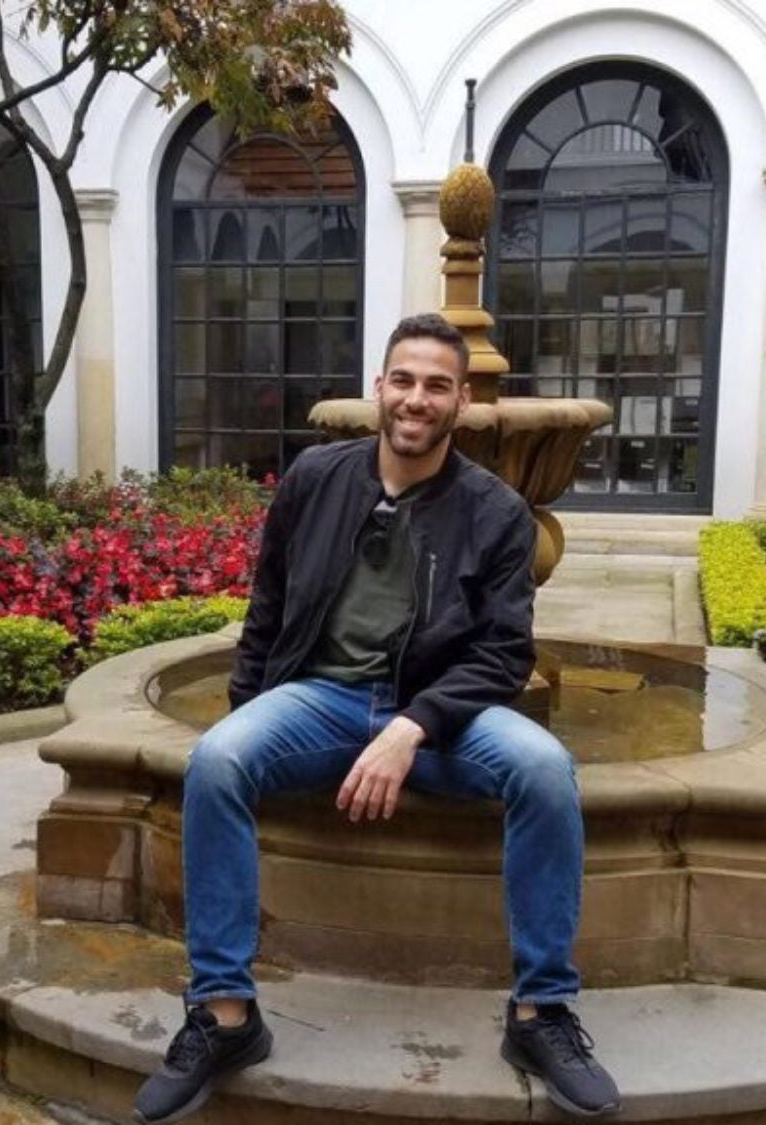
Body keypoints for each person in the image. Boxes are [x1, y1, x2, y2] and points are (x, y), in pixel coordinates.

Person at [132, 313, 622, 1123]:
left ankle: (542, 1013)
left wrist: (412, 726)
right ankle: (224, 1015)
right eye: (404, 379)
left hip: (439, 715)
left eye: (436, 384)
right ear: (379, 388)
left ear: (461, 401)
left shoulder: (496, 511)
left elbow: (504, 654)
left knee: (544, 769)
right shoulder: (315, 479)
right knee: (219, 760)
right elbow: (269, 608)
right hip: (321, 698)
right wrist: (251, 715)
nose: (416, 398)